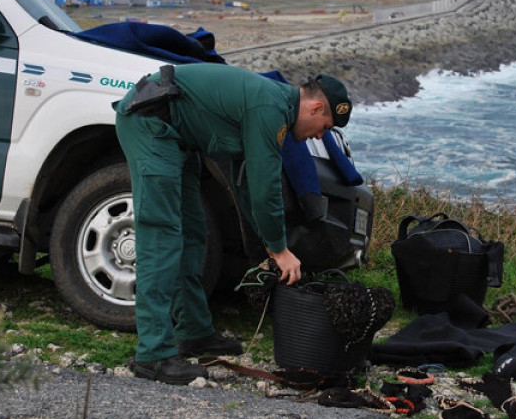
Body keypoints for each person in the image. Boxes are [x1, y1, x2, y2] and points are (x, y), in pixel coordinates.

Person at [113, 63, 353, 385]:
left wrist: (267, 245)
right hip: (151, 125)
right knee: (162, 237)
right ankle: (153, 354)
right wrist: (279, 250)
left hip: (178, 139)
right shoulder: (270, 109)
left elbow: (243, 186)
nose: (320, 135)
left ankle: (193, 333)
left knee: (194, 233)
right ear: (316, 106)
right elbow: (263, 187)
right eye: (324, 126)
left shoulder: (274, 107)